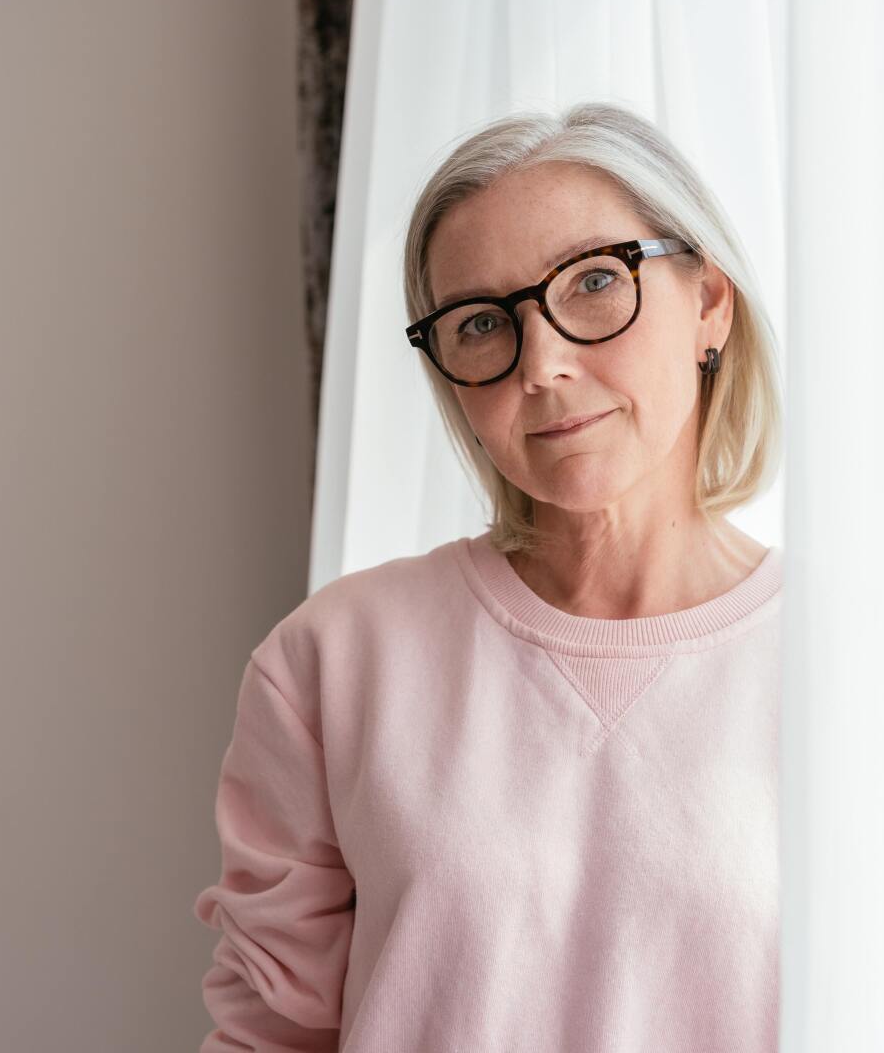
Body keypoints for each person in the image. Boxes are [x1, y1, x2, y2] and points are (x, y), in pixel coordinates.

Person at [192, 101, 784, 1052]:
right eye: (479, 323)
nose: (541, 364)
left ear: (710, 302)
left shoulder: (851, 665)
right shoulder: (332, 662)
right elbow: (271, 1035)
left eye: (596, 281)